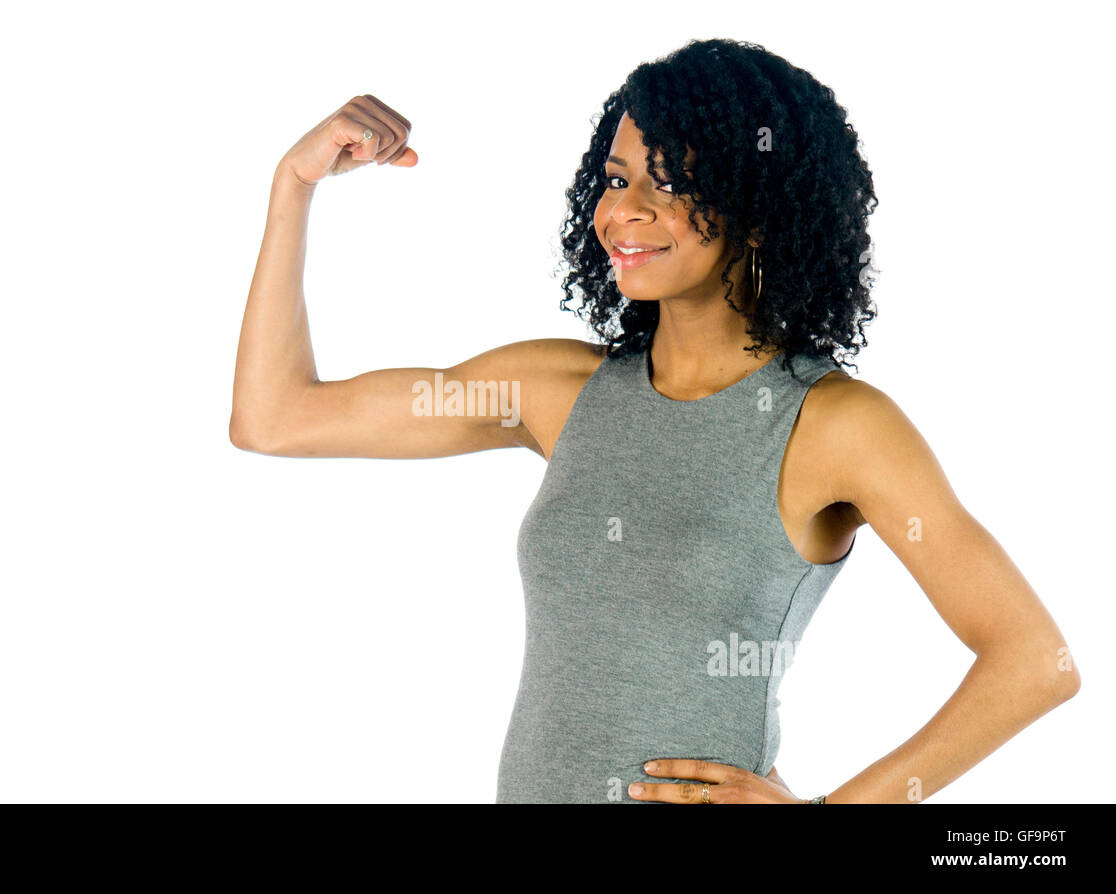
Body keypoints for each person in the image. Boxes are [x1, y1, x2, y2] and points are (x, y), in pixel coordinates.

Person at [229, 38, 1079, 804]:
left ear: (756, 205)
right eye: (617, 177)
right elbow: (275, 418)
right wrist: (293, 186)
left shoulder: (832, 424)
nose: (624, 211)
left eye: (669, 183)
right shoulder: (558, 390)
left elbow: (1035, 661)